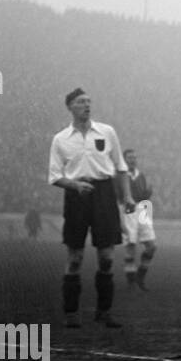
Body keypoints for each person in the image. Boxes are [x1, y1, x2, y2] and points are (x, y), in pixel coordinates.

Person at [48, 88, 134, 328]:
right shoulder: (61, 139)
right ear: (70, 107)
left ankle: (104, 312)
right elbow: (54, 176)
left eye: (88, 101)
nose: (86, 105)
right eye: (81, 102)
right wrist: (75, 184)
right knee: (75, 258)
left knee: (106, 257)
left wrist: (127, 196)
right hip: (76, 197)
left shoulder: (107, 132)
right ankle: (71, 313)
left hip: (104, 195)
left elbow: (121, 167)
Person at [121, 148, 157, 291]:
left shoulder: (141, 175)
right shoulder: (121, 176)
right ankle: (131, 282)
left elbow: (144, 195)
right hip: (129, 208)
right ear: (124, 160)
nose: (133, 160)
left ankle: (140, 277)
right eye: (130, 157)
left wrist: (148, 193)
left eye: (134, 157)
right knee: (131, 246)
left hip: (144, 208)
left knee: (152, 246)